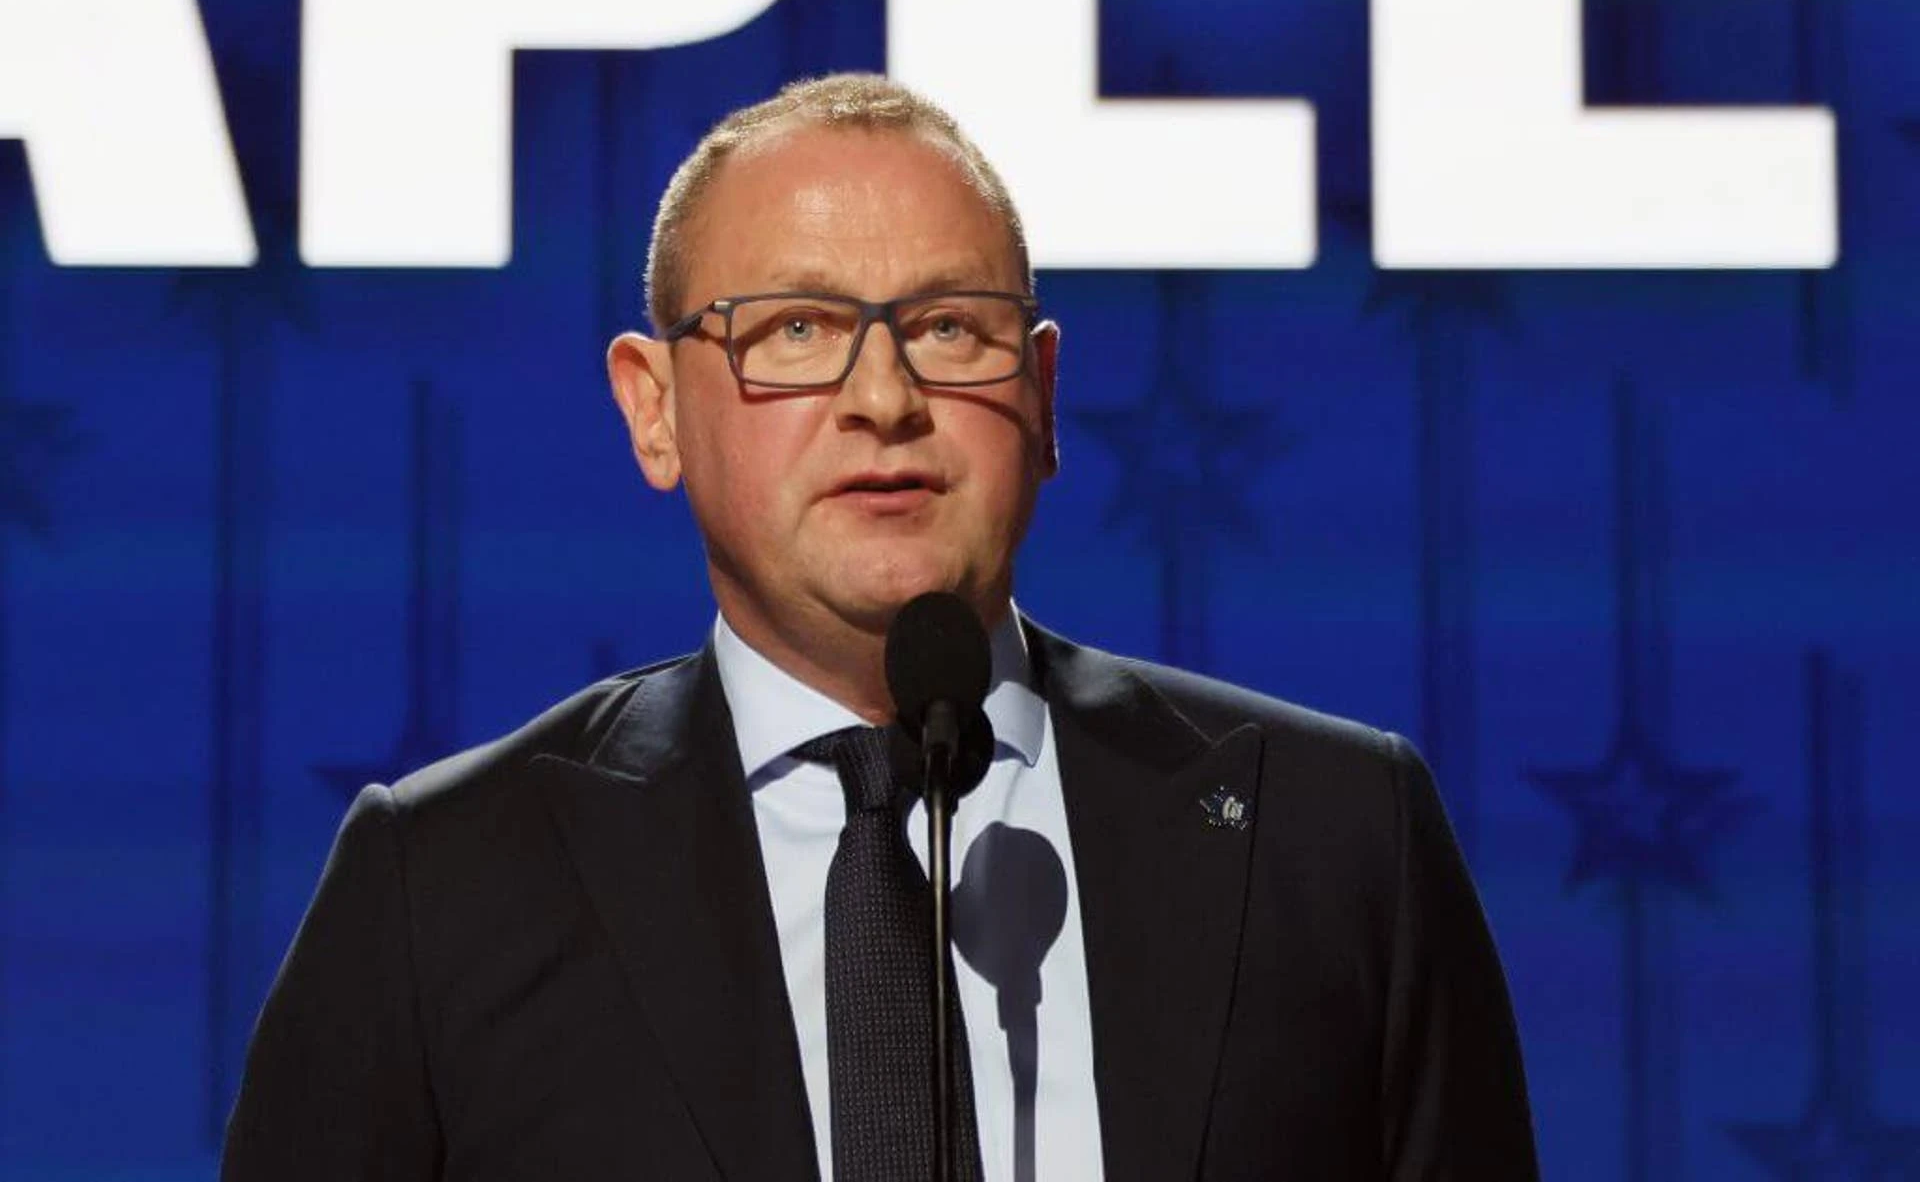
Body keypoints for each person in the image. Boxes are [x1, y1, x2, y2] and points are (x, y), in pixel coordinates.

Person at [223, 73, 1538, 1181]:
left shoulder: (1335, 837)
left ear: (1043, 393)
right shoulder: (443, 885)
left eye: (949, 329)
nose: (883, 397)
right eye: (794, 330)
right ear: (654, 409)